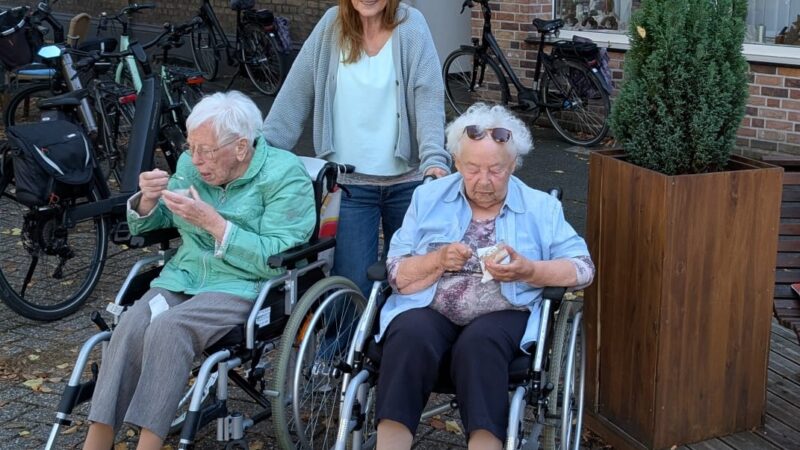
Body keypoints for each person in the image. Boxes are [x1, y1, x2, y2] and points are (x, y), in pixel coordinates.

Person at [82, 91, 316, 450]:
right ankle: (97, 441)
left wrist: (218, 226)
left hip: (244, 285)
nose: (195, 159)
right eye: (191, 147)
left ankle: (149, 442)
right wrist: (147, 199)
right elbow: (154, 223)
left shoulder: (285, 175)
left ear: (241, 147)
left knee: (169, 328)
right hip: (184, 277)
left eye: (206, 150)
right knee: (130, 323)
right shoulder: (191, 167)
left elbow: (279, 252)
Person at [374, 103, 595, 450]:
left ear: (513, 166)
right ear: (457, 164)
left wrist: (531, 270)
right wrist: (437, 259)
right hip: (430, 304)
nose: (484, 181)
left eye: (496, 170)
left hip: (503, 311)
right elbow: (396, 272)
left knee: (479, 345)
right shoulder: (428, 197)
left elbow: (583, 268)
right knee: (408, 335)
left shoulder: (541, 208)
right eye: (473, 169)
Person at [263, 0, 450, 297]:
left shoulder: (412, 26)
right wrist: (264, 149)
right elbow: (296, 92)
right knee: (350, 288)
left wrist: (434, 158)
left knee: (408, 285)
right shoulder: (331, 26)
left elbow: (427, 95)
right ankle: (344, 345)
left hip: (409, 184)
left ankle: (389, 343)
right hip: (348, 186)